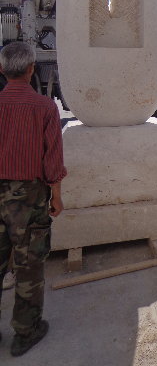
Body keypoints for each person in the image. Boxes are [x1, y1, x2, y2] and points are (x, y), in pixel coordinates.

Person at [0, 41, 66, 356]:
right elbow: (52, 160)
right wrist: (57, 196)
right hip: (29, 197)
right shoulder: (45, 107)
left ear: (2, 70)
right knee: (28, 264)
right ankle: (25, 333)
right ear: (31, 70)